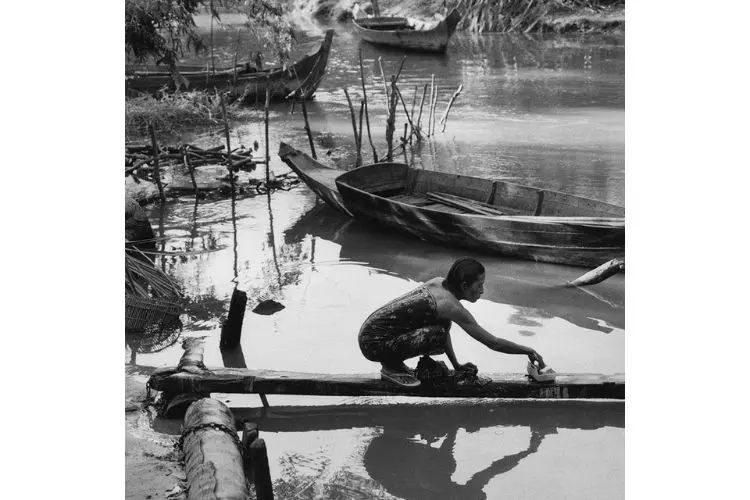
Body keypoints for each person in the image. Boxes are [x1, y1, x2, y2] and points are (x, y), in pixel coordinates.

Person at [358, 257, 546, 387]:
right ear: (464, 285)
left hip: (372, 334)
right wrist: (527, 350)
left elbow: (443, 327)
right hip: (374, 344)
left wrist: (456, 365)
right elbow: (493, 343)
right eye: (479, 285)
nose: (482, 291)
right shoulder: (450, 306)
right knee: (437, 335)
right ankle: (390, 367)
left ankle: (393, 362)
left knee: (442, 327)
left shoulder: (438, 282)